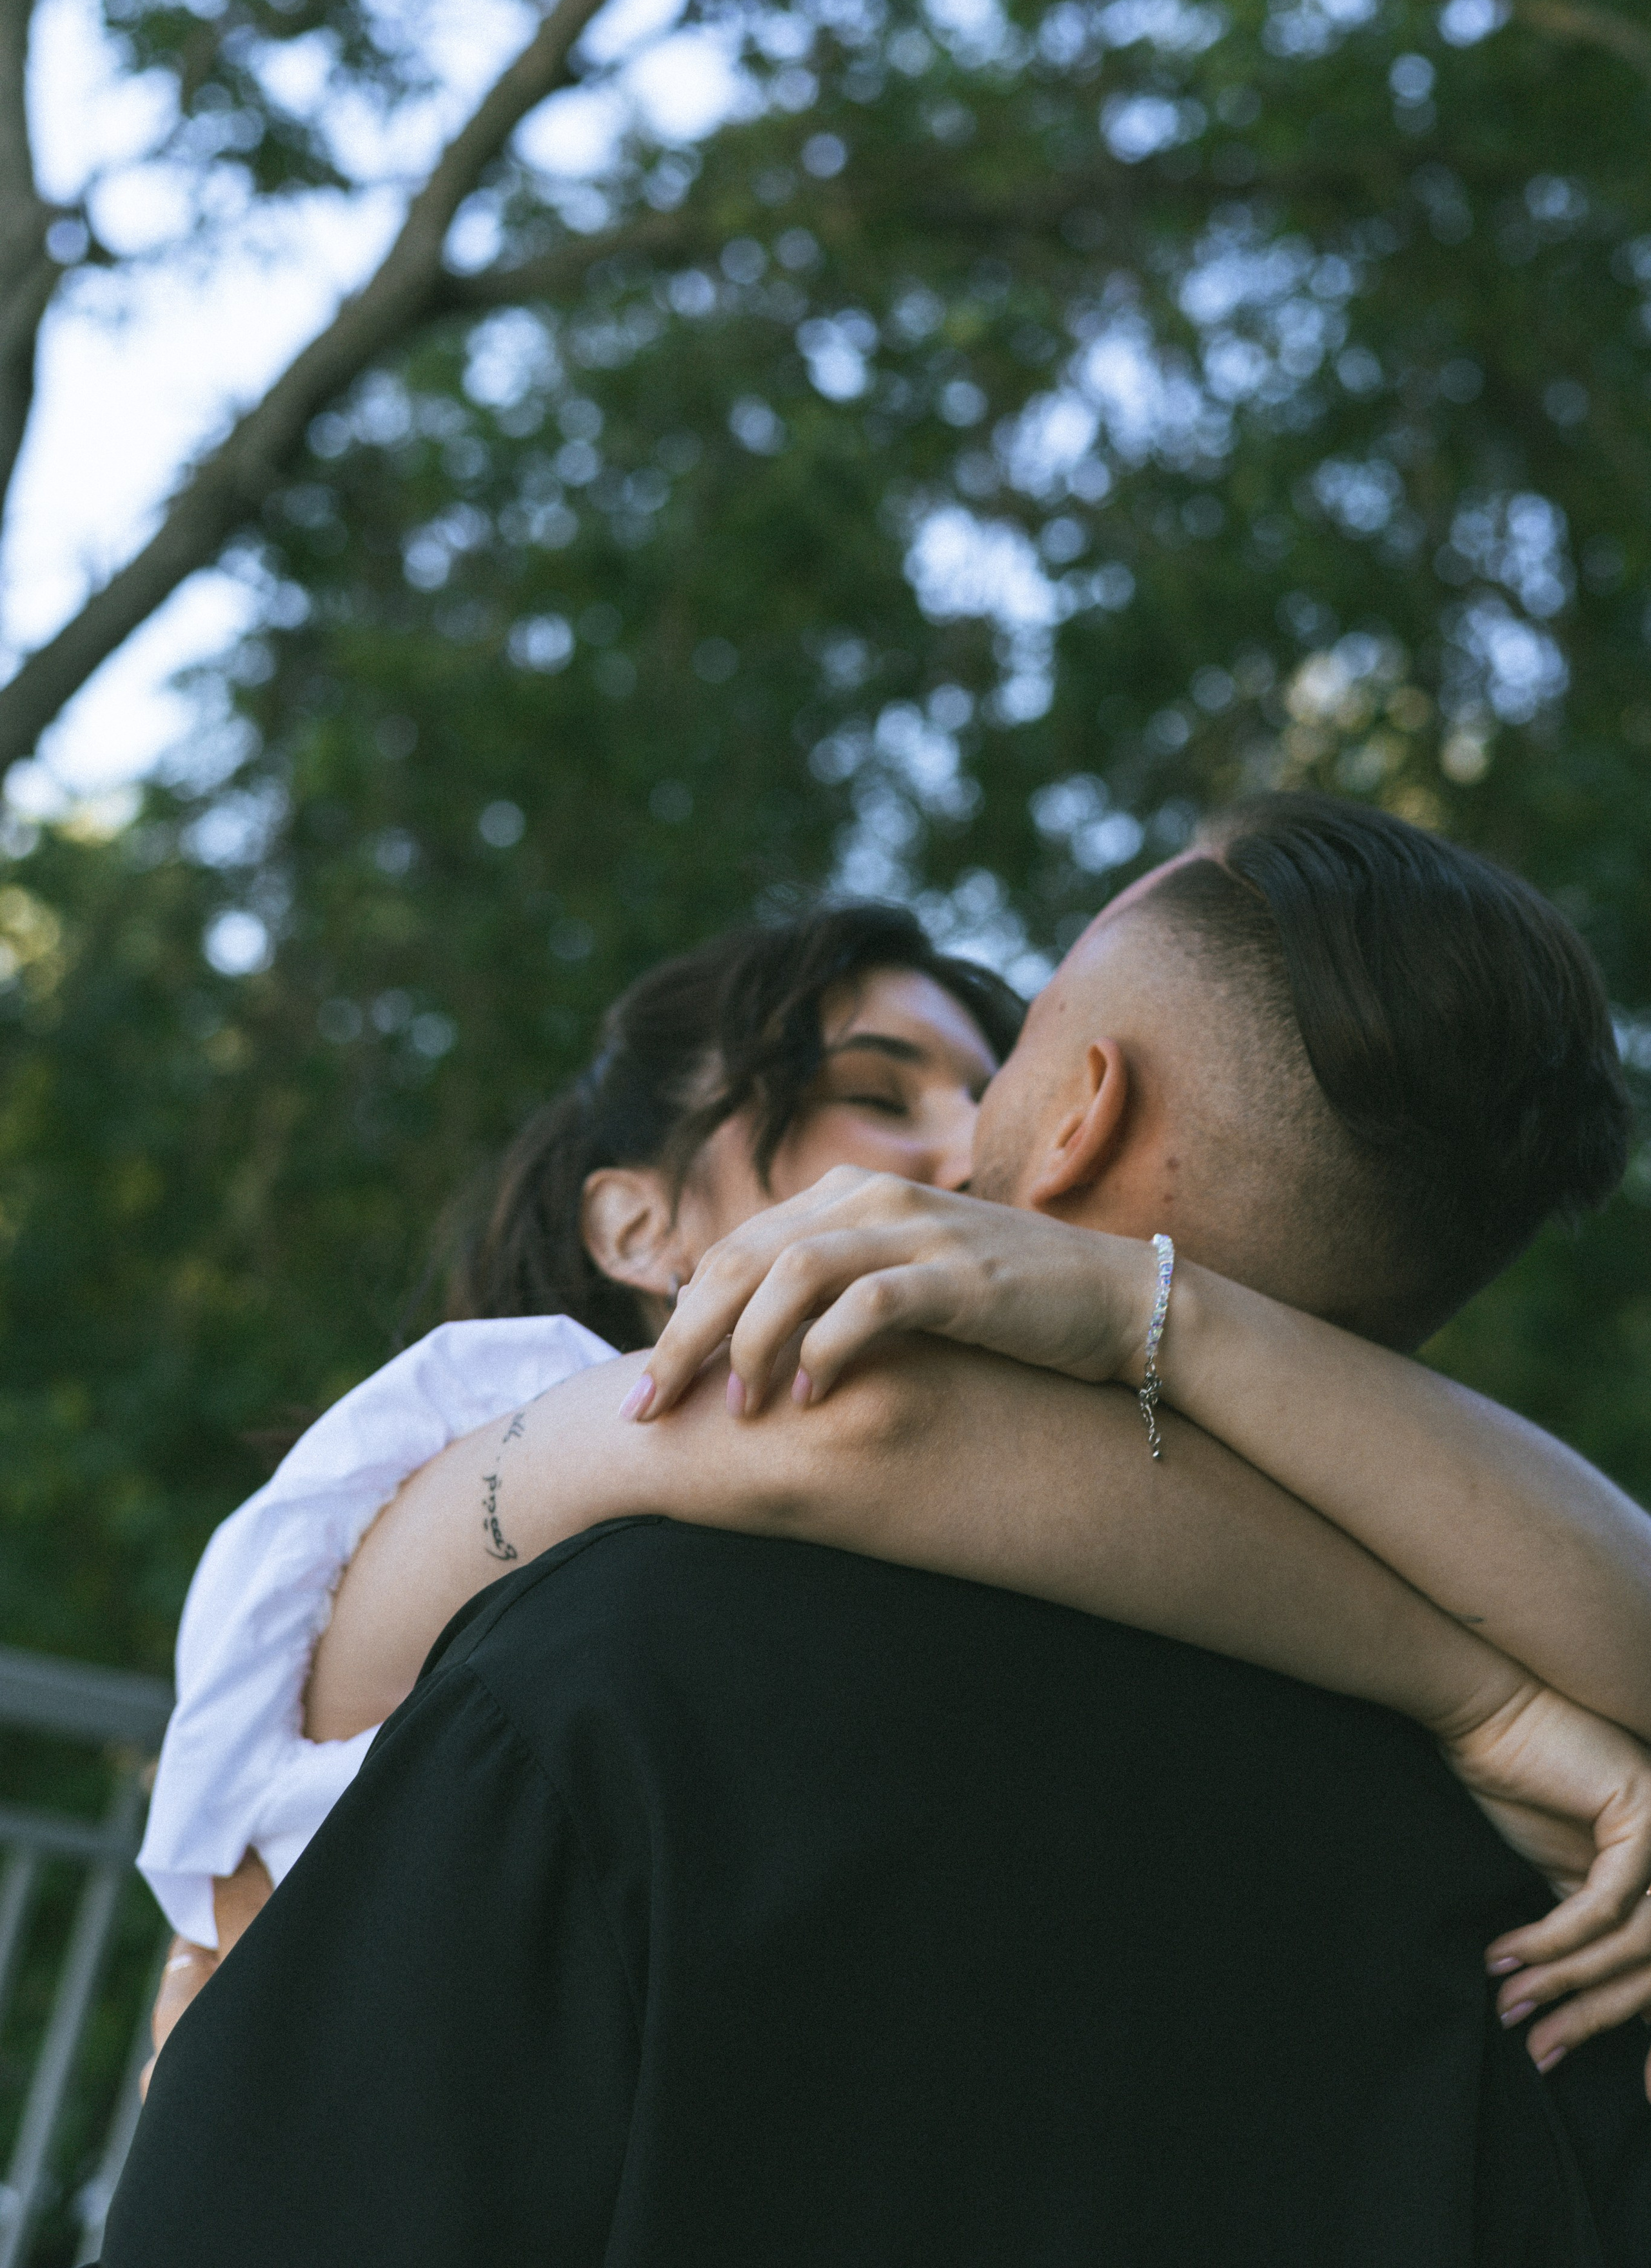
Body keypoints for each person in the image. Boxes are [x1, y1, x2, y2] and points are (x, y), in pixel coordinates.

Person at [102, 797, 1651, 2265]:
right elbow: (846, 1429)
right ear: (626, 1224)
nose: (938, 1152)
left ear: (1077, 1115)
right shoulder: (1565, 1895)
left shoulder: (602, 1674)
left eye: (998, 1064)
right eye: (867, 1091)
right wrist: (1485, 1697)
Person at [137, 904, 1023, 2036]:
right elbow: (234, 1868)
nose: (978, 1150)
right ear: (640, 1227)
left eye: (991, 1100)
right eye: (874, 1096)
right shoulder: (489, 1414)